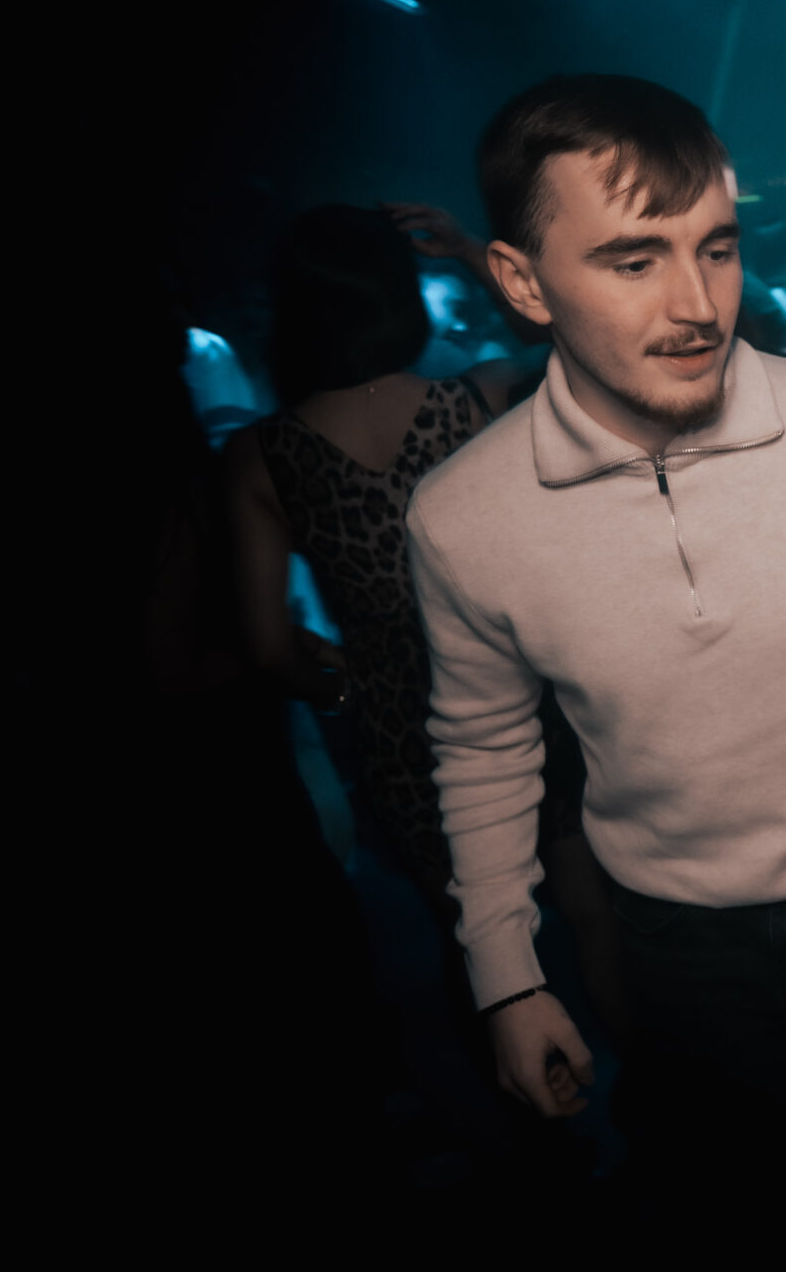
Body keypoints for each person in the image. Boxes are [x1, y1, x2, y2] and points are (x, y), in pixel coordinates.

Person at [403, 74, 786, 1272]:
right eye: (634, 261)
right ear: (522, 282)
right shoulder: (464, 518)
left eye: (716, 249)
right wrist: (507, 975)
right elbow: (481, 748)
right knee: (758, 1251)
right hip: (677, 949)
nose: (696, 306)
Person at [224, 207, 620, 1043]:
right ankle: (655, 1089)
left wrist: (344, 684)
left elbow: (265, 647)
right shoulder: (478, 395)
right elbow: (584, 338)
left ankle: (536, 1104)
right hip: (527, 692)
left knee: (478, 943)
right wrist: (473, 254)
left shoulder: (260, 455)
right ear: (398, 299)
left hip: (408, 731)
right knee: (595, 914)